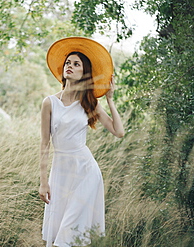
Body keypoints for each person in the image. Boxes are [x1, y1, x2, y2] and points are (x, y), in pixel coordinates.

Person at [39, 37, 125, 247]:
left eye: (76, 64)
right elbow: (44, 145)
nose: (70, 66)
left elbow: (119, 131)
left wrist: (110, 99)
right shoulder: (49, 102)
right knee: (61, 230)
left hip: (85, 172)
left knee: (70, 233)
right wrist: (43, 182)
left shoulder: (89, 104)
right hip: (60, 173)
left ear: (84, 72)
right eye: (68, 62)